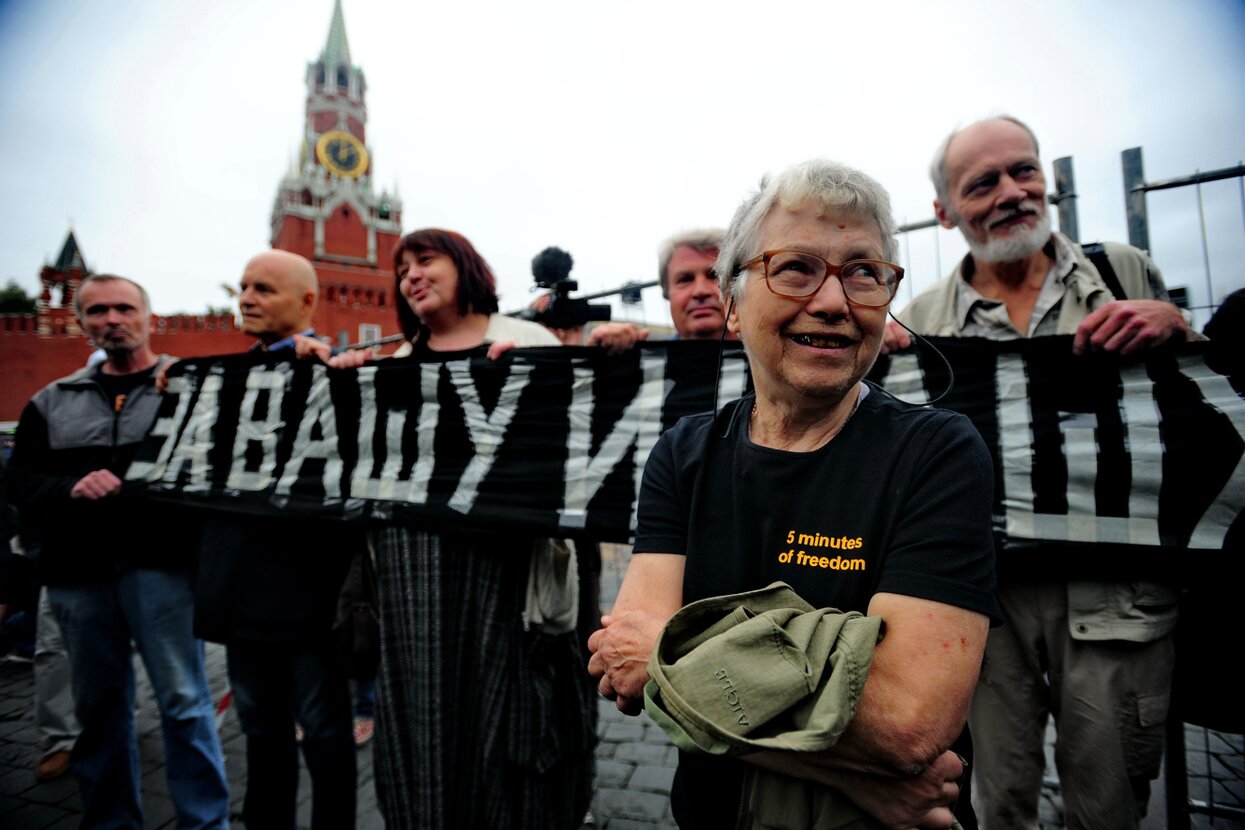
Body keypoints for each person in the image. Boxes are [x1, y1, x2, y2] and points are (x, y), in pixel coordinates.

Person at [589, 159, 1000, 829]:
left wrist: (679, 650)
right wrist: (844, 766)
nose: (835, 302)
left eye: (864, 272)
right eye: (795, 268)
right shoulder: (682, 454)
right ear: (731, 299)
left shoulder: (938, 453)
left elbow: (905, 721)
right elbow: (629, 670)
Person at [888, 115, 1192, 830]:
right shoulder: (922, 321)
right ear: (943, 211)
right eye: (982, 182)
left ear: (1047, 181)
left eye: (1023, 171)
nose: (1010, 193)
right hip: (986, 609)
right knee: (997, 800)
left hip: (1115, 599)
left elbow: (1200, 409)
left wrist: (1176, 327)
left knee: (1108, 806)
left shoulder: (1122, 271)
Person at [328, 228, 597, 829]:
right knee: (424, 723)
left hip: (502, 574)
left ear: (466, 268)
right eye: (402, 269)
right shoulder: (395, 364)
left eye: (426, 261)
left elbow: (578, 439)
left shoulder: (525, 340)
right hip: (410, 582)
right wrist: (341, 386)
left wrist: (542, 374)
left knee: (503, 723)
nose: (411, 276)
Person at [7, 274, 229, 828]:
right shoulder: (50, 402)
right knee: (99, 713)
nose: (113, 319)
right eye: (98, 310)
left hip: (164, 571)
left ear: (148, 317)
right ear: (80, 323)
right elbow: (20, 483)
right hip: (79, 576)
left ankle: (205, 822)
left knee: (184, 703)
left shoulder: (187, 389)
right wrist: (68, 488)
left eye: (124, 308)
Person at [193, 250, 358, 830]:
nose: (245, 298)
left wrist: (321, 360)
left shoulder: (338, 376)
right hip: (238, 592)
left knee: (326, 733)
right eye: (242, 287)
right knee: (261, 732)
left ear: (307, 302)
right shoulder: (218, 385)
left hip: (310, 596)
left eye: (263, 288)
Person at [657, 228, 737, 340]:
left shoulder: (769, 355)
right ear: (667, 293)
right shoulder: (636, 355)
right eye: (685, 279)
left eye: (715, 276)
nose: (700, 291)